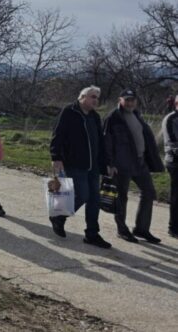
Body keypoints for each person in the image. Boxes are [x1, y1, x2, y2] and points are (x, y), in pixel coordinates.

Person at [49, 86, 112, 248]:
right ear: (82, 97)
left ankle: (92, 234)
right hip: (75, 163)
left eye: (97, 98)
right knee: (82, 195)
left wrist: (106, 164)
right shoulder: (69, 112)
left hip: (94, 166)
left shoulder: (95, 117)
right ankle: (59, 217)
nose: (95, 100)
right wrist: (56, 157)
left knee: (94, 200)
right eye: (92, 97)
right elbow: (58, 134)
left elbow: (101, 143)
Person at [103, 89, 164, 243]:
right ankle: (122, 230)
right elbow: (106, 142)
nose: (130, 103)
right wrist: (110, 163)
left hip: (139, 162)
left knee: (149, 192)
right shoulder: (113, 118)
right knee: (121, 197)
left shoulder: (137, 115)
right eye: (127, 100)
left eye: (132, 100)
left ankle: (141, 229)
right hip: (121, 164)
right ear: (120, 100)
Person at [161, 94, 178, 239]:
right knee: (176, 195)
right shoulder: (171, 119)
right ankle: (173, 227)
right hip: (174, 161)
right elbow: (173, 141)